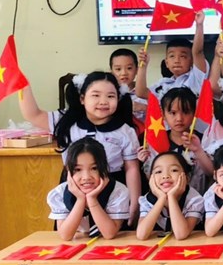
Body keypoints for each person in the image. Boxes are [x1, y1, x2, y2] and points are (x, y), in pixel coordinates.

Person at [19, 71, 141, 226]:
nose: (103, 101)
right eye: (95, 95)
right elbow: (33, 115)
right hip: (75, 188)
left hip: (112, 190)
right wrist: (22, 85)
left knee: (111, 235)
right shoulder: (66, 121)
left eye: (110, 96)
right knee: (74, 234)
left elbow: (132, 169)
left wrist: (134, 203)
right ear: (82, 99)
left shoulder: (125, 131)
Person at [46, 137, 129, 241]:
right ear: (68, 171)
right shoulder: (60, 193)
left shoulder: (117, 191)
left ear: (104, 168)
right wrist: (80, 200)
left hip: (109, 245)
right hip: (76, 243)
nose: (86, 177)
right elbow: (65, 236)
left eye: (94, 168)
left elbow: (109, 234)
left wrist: (92, 199)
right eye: (78, 169)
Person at [136, 11, 208, 100]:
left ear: (192, 61)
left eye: (182, 56)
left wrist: (199, 25)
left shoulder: (196, 78)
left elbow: (198, 52)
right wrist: (143, 66)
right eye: (172, 56)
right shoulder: (163, 84)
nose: (177, 60)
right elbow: (141, 92)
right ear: (166, 62)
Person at [136, 151, 204, 240]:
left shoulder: (194, 200)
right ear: (150, 178)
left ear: (187, 177)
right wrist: (161, 198)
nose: (165, 176)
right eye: (158, 171)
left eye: (174, 170)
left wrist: (171, 197)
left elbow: (181, 235)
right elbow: (141, 235)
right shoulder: (147, 201)